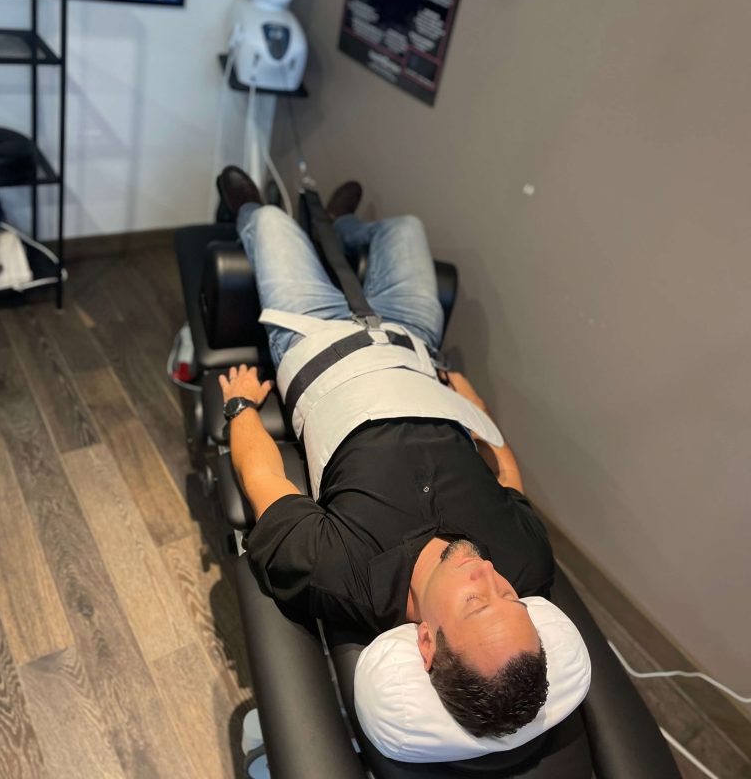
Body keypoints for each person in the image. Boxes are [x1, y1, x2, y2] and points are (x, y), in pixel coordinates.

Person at [216, 165, 555, 740]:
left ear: (426, 640)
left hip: (314, 337)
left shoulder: (337, 574)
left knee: (269, 222)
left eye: (478, 603)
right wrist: (461, 389)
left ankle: (252, 211)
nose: (491, 577)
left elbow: (263, 476)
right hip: (413, 341)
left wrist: (240, 408)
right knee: (404, 228)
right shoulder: (526, 562)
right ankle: (342, 228)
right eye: (511, 600)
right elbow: (506, 469)